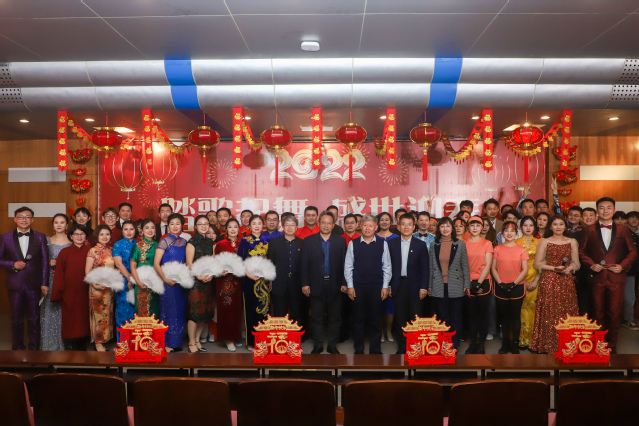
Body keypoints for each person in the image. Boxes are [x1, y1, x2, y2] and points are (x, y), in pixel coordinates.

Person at [579, 197, 638, 352]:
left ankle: (612, 345)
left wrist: (622, 266)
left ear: (614, 210)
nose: (605, 211)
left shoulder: (623, 230)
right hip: (596, 278)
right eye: (602, 208)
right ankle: (598, 344)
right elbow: (581, 252)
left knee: (614, 312)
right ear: (597, 210)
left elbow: (633, 252)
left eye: (608, 207)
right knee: (597, 312)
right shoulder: (588, 230)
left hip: (616, 278)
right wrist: (591, 264)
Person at [0, 207, 49, 350]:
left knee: (34, 318)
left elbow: (45, 262)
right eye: (21, 217)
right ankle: (17, 348)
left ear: (32, 220)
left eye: (27, 217)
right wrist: (13, 265)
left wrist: (44, 283)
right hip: (14, 284)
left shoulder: (40, 237)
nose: (24, 220)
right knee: (16, 319)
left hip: (34, 284)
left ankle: (34, 348)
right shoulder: (5, 237)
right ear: (15, 219)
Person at [531, 216, 580, 354]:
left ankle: (567, 345)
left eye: (561, 224)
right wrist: (554, 268)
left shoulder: (572, 241)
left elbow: (577, 263)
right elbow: (537, 264)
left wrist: (570, 268)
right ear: (550, 227)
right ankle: (548, 345)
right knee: (549, 312)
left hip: (566, 280)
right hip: (549, 280)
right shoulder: (544, 241)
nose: (558, 227)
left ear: (565, 226)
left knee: (567, 310)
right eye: (555, 224)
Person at [345, 214, 391, 354]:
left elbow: (387, 267)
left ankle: (375, 350)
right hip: (358, 287)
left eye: (370, 226)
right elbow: (348, 266)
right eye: (365, 225)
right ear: (360, 226)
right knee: (358, 319)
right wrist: (350, 286)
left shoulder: (383, 243)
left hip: (377, 287)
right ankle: (358, 349)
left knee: (375, 320)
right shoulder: (353, 243)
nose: (367, 228)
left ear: (375, 227)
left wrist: (385, 286)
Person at [302, 211, 347, 354]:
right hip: (315, 284)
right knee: (316, 317)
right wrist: (305, 283)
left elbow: (345, 264)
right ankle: (318, 345)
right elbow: (304, 264)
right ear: (319, 224)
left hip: (335, 284)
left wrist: (344, 282)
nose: (326, 225)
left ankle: (332, 345)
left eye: (329, 223)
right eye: (323, 223)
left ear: (333, 225)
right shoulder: (308, 241)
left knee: (335, 317)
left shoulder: (340, 241)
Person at [388, 213, 429, 354]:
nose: (406, 227)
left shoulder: (420, 245)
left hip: (415, 287)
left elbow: (425, 268)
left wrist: (424, 287)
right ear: (398, 227)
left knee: (415, 317)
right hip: (397, 285)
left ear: (413, 227)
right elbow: (387, 266)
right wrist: (388, 285)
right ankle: (402, 347)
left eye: (409, 224)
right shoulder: (391, 244)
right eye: (403, 224)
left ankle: (415, 347)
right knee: (400, 318)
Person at [428, 217, 470, 349]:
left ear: (452, 228)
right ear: (439, 229)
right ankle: (444, 343)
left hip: (456, 285)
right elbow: (431, 267)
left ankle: (454, 344)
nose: (445, 229)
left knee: (456, 317)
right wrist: (429, 285)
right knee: (442, 317)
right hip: (439, 285)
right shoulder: (434, 245)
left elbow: (465, 265)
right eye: (442, 226)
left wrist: (467, 284)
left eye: (448, 226)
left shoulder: (460, 244)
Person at [50, 223, 92, 350]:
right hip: (69, 292)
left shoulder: (91, 251)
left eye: (82, 234)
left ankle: (84, 344)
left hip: (87, 290)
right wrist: (58, 292)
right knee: (70, 318)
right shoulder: (65, 252)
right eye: (76, 234)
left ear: (86, 236)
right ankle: (69, 345)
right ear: (71, 236)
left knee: (85, 317)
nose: (79, 236)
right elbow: (59, 274)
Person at [492, 221, 529, 354]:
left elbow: (525, 269)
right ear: (502, 233)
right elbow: (493, 268)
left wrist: (514, 283)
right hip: (501, 287)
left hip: (517, 287)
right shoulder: (497, 249)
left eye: (512, 231)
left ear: (516, 233)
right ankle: (505, 343)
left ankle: (515, 344)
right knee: (504, 317)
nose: (509, 233)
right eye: (506, 230)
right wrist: (500, 283)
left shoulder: (521, 249)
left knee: (515, 317)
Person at [154, 213, 188, 352]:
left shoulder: (184, 241)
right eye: (172, 224)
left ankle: (176, 342)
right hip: (167, 282)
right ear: (168, 225)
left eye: (177, 224)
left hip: (180, 283)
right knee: (168, 311)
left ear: (181, 226)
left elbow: (185, 262)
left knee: (179, 312)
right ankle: (166, 343)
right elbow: (156, 264)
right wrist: (165, 280)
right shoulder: (164, 241)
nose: (175, 226)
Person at [238, 214, 271, 349]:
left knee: (264, 311)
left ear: (263, 225)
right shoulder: (244, 241)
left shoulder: (268, 240)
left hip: (265, 281)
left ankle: (263, 341)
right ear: (249, 226)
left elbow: (272, 261)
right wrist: (249, 275)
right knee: (250, 311)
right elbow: (239, 261)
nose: (257, 226)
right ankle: (251, 342)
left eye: (259, 223)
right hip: (249, 280)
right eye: (254, 223)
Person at [40, 214, 70, 351]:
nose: (59, 225)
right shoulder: (46, 241)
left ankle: (65, 343)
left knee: (66, 309)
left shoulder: (72, 241)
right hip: (50, 279)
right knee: (49, 308)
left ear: (67, 225)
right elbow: (38, 261)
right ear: (52, 225)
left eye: (62, 222)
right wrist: (48, 263)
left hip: (66, 280)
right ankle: (49, 344)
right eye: (56, 222)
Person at [464, 216, 493, 354]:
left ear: (482, 227)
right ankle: (473, 343)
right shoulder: (463, 243)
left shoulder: (487, 243)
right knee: (471, 315)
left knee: (483, 314)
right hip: (468, 282)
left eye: (478, 225)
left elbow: (488, 264)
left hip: (483, 282)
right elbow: (462, 264)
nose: (475, 228)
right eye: (472, 225)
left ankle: (481, 343)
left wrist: (478, 282)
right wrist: (469, 282)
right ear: (468, 227)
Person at [185, 215, 215, 353]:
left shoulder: (210, 242)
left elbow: (212, 261)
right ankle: (191, 342)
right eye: (200, 224)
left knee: (205, 313)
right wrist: (199, 276)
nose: (203, 226)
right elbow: (189, 263)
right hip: (196, 282)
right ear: (196, 226)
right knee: (195, 313)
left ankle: (197, 340)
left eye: (206, 224)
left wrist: (211, 274)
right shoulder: (191, 242)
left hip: (208, 280)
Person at [214, 218, 243, 351]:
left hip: (238, 280)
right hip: (224, 281)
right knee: (226, 309)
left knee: (237, 309)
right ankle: (227, 338)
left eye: (235, 227)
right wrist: (220, 270)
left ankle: (235, 336)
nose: (232, 229)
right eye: (230, 227)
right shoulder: (220, 244)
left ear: (238, 229)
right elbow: (215, 262)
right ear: (226, 229)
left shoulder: (242, 242)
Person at [85, 225, 116, 351]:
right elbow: (87, 271)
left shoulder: (111, 250)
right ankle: (98, 343)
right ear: (97, 236)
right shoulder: (93, 251)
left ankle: (105, 340)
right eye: (102, 234)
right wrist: (94, 284)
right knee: (98, 316)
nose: (105, 237)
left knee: (107, 315)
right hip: (97, 289)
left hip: (109, 288)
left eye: (107, 234)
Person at [268, 216, 303, 322]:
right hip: (279, 282)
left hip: (297, 283)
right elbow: (270, 262)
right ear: (282, 226)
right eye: (287, 225)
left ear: (296, 227)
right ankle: (280, 332)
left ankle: (296, 332)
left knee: (297, 312)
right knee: (279, 313)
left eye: (292, 225)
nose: (289, 228)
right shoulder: (274, 243)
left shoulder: (302, 243)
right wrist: (270, 279)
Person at [516, 216, 541, 350]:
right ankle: (521, 339)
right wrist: (523, 280)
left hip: (536, 277)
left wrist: (536, 280)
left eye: (531, 225)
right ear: (521, 227)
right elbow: (513, 264)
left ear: (534, 227)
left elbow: (543, 262)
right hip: (519, 278)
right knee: (520, 308)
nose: (528, 228)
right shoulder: (515, 242)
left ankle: (532, 340)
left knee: (534, 308)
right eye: (525, 225)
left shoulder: (540, 242)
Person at [112, 220, 137, 342]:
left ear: (135, 230)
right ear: (122, 231)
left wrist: (135, 279)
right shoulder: (118, 244)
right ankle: (123, 343)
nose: (129, 232)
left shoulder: (139, 244)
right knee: (123, 310)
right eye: (126, 229)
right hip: (123, 281)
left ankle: (136, 342)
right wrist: (129, 278)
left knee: (136, 312)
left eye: (131, 229)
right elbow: (118, 263)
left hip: (137, 281)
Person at [375, 212, 398, 342]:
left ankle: (388, 331)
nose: (384, 222)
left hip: (393, 275)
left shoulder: (396, 237)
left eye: (387, 220)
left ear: (391, 222)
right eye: (382, 220)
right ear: (378, 222)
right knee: (377, 306)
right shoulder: (373, 236)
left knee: (390, 307)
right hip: (377, 276)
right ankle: (380, 332)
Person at [130, 219, 160, 318]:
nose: (150, 230)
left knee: (155, 312)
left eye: (152, 227)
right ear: (142, 230)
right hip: (141, 282)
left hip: (156, 283)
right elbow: (133, 266)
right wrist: (138, 282)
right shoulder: (137, 246)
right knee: (143, 312)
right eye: (147, 228)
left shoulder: (159, 245)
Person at [339, 213, 360, 342]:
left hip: (357, 279)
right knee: (342, 310)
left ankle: (357, 335)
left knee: (357, 310)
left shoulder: (362, 239)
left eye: (352, 222)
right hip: (341, 280)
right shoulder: (339, 239)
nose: (350, 225)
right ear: (344, 225)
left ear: (357, 224)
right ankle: (344, 334)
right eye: (347, 222)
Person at [623, 211, 639, 329]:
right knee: (628, 297)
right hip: (625, 269)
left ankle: (628, 319)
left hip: (635, 269)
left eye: (637, 218)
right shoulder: (622, 232)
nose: (634, 220)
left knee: (632, 296)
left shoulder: (637, 235)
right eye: (631, 217)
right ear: (627, 219)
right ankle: (628, 320)